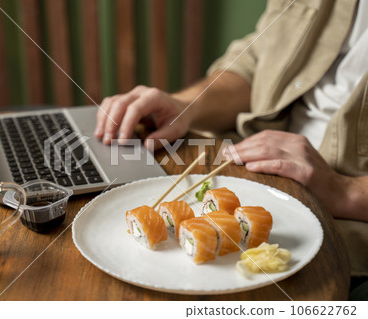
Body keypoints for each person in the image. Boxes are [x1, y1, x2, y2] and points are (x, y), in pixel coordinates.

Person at [95, 0, 368, 280]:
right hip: (250, 155)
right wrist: (188, 105)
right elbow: (257, 61)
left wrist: (343, 190)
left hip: (343, 217)